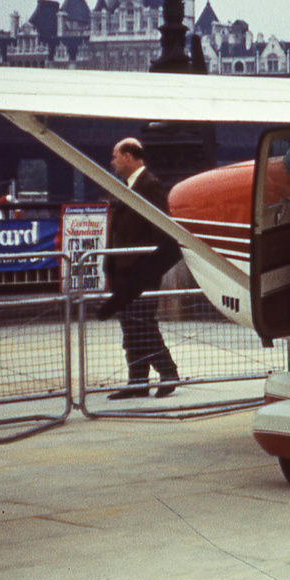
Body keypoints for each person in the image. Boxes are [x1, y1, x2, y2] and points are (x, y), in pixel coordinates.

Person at [105, 138, 180, 399]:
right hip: (122, 271)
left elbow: (161, 230)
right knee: (130, 325)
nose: (112, 162)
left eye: (115, 156)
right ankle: (137, 380)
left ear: (127, 157)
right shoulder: (128, 186)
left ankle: (168, 371)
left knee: (141, 322)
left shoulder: (150, 186)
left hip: (140, 271)